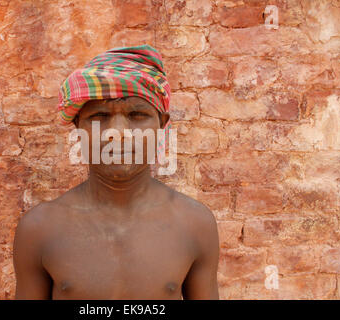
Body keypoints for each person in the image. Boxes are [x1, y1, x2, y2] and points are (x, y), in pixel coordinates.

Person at [13, 45, 220, 300]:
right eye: (99, 115)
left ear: (162, 124)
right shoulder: (39, 229)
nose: (117, 133)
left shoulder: (195, 224)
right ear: (78, 127)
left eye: (136, 114)